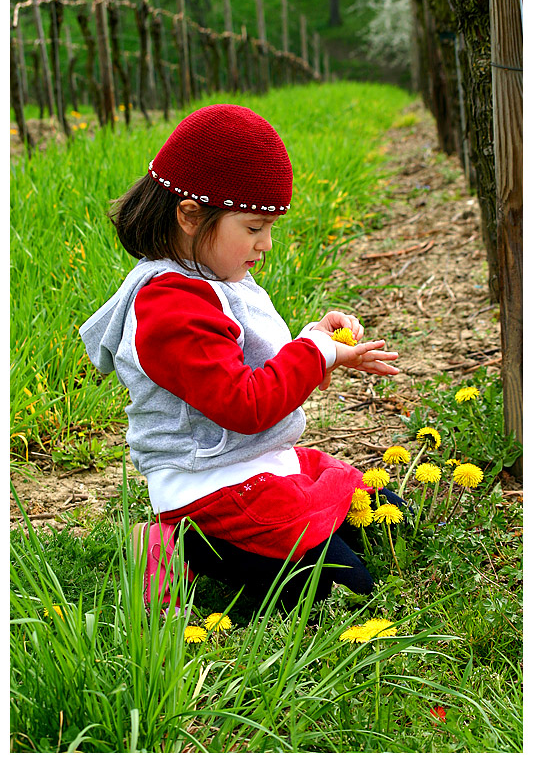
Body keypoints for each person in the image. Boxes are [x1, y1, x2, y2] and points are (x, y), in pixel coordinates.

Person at [80, 103, 402, 613]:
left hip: (255, 467)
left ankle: (272, 541)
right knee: (329, 589)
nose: (265, 244)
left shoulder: (214, 276)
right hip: (208, 488)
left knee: (383, 515)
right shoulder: (169, 306)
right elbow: (243, 404)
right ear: (189, 215)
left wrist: (321, 343)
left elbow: (251, 368)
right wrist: (314, 353)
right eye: (254, 228)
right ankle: (173, 543)